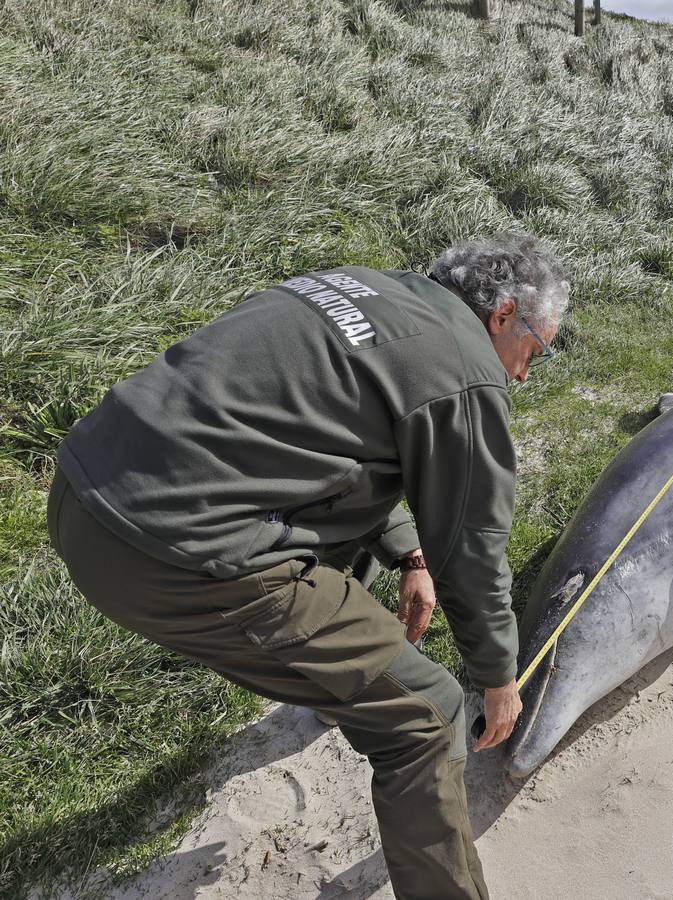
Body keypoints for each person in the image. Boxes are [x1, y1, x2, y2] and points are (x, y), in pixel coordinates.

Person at [46, 233, 569, 900]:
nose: (523, 373)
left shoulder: (356, 287)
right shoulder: (464, 369)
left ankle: (339, 690)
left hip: (81, 492)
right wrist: (497, 678)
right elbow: (471, 547)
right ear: (502, 315)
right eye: (536, 351)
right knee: (429, 715)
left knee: (353, 548)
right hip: (167, 553)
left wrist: (407, 551)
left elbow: (313, 440)